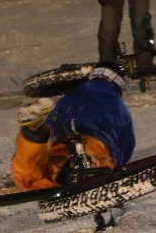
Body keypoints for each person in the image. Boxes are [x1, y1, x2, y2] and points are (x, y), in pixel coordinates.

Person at [11, 61, 135, 190]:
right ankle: (81, 170)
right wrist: (118, 160)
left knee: (28, 178)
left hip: (63, 144)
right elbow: (126, 145)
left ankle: (32, 140)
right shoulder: (120, 108)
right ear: (119, 84)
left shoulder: (68, 99)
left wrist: (44, 133)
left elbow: (51, 125)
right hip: (94, 145)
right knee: (95, 164)